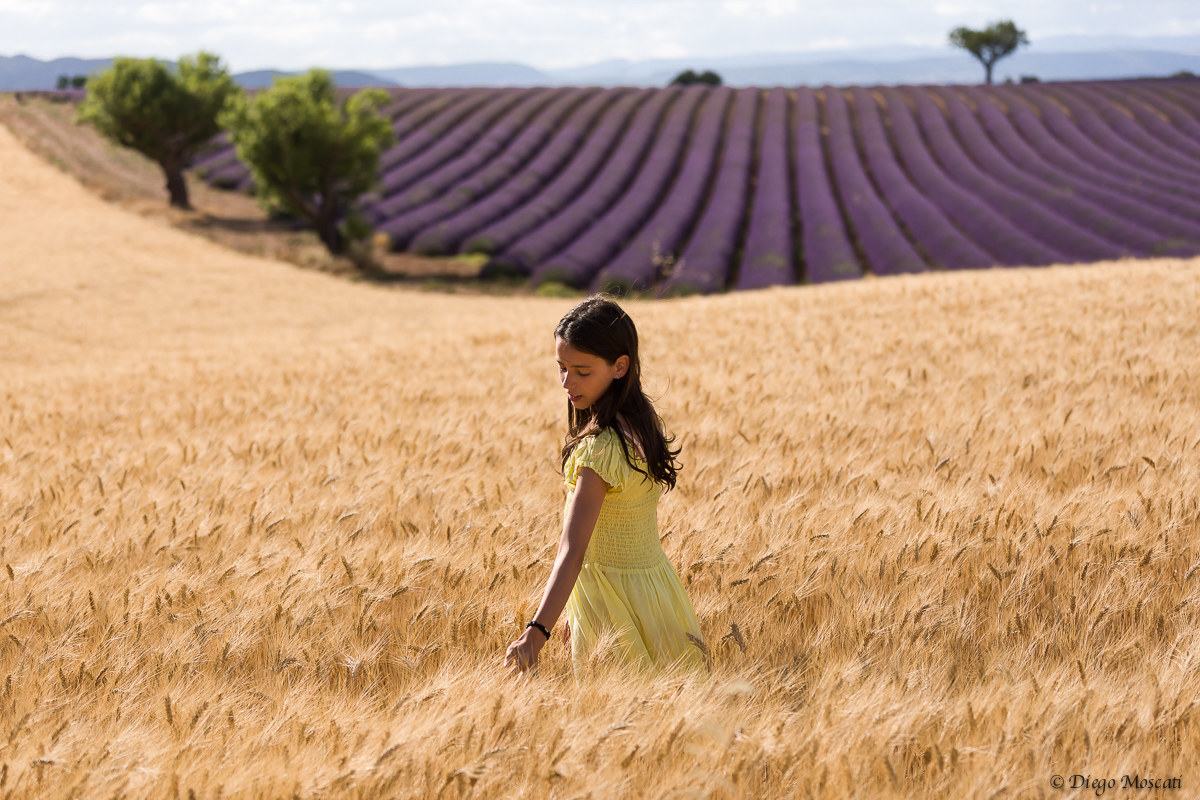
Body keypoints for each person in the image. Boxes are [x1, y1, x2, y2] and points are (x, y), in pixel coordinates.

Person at [504, 295, 708, 679]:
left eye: (582, 371)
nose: (568, 382)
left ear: (619, 366)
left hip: (611, 606)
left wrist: (536, 632)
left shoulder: (600, 449)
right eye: (561, 368)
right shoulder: (642, 424)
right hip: (657, 594)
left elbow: (573, 549)